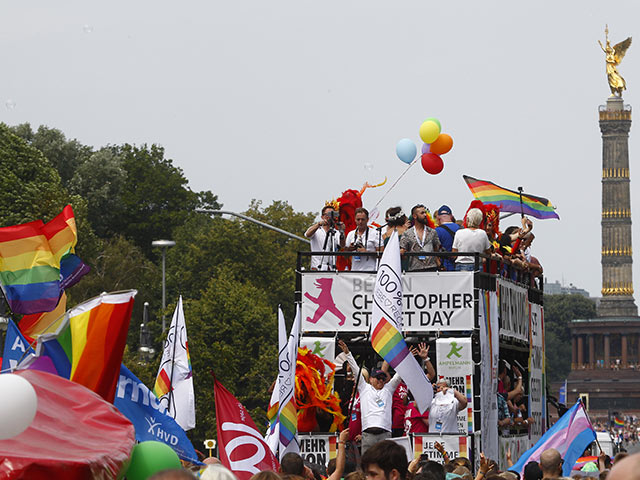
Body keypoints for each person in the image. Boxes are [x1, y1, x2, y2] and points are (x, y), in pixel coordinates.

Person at [339, 340, 403, 454]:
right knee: (367, 465)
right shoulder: (364, 388)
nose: (381, 380)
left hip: (385, 434)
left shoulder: (388, 389)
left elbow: (399, 375)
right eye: (378, 378)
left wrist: (406, 359)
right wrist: (348, 353)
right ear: (371, 379)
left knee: (385, 464)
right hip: (368, 434)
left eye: (383, 378)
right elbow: (356, 370)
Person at [399, 204, 441, 271]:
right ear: (414, 216)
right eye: (422, 213)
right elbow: (403, 250)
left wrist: (438, 263)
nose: (425, 215)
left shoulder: (432, 232)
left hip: (431, 268)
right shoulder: (407, 233)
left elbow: (436, 249)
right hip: (414, 269)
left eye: (425, 213)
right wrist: (402, 251)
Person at [305, 203, 346, 270]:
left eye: (331, 215)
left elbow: (342, 245)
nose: (329, 217)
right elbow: (307, 234)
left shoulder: (336, 232)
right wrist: (319, 224)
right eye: (327, 214)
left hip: (331, 267)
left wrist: (342, 231)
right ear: (322, 216)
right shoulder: (317, 230)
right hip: (317, 267)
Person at [345, 207, 382, 271]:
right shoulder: (351, 234)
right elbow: (345, 256)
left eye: (363, 219)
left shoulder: (375, 233)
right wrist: (349, 249)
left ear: (367, 219)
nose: (360, 222)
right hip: (354, 271)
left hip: (371, 271)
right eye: (358, 219)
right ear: (355, 220)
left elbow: (382, 254)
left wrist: (367, 252)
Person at [434, 205, 461, 271]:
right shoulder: (460, 229)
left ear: (438, 217)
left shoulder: (437, 231)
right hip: (459, 264)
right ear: (451, 216)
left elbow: (434, 250)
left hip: (444, 265)